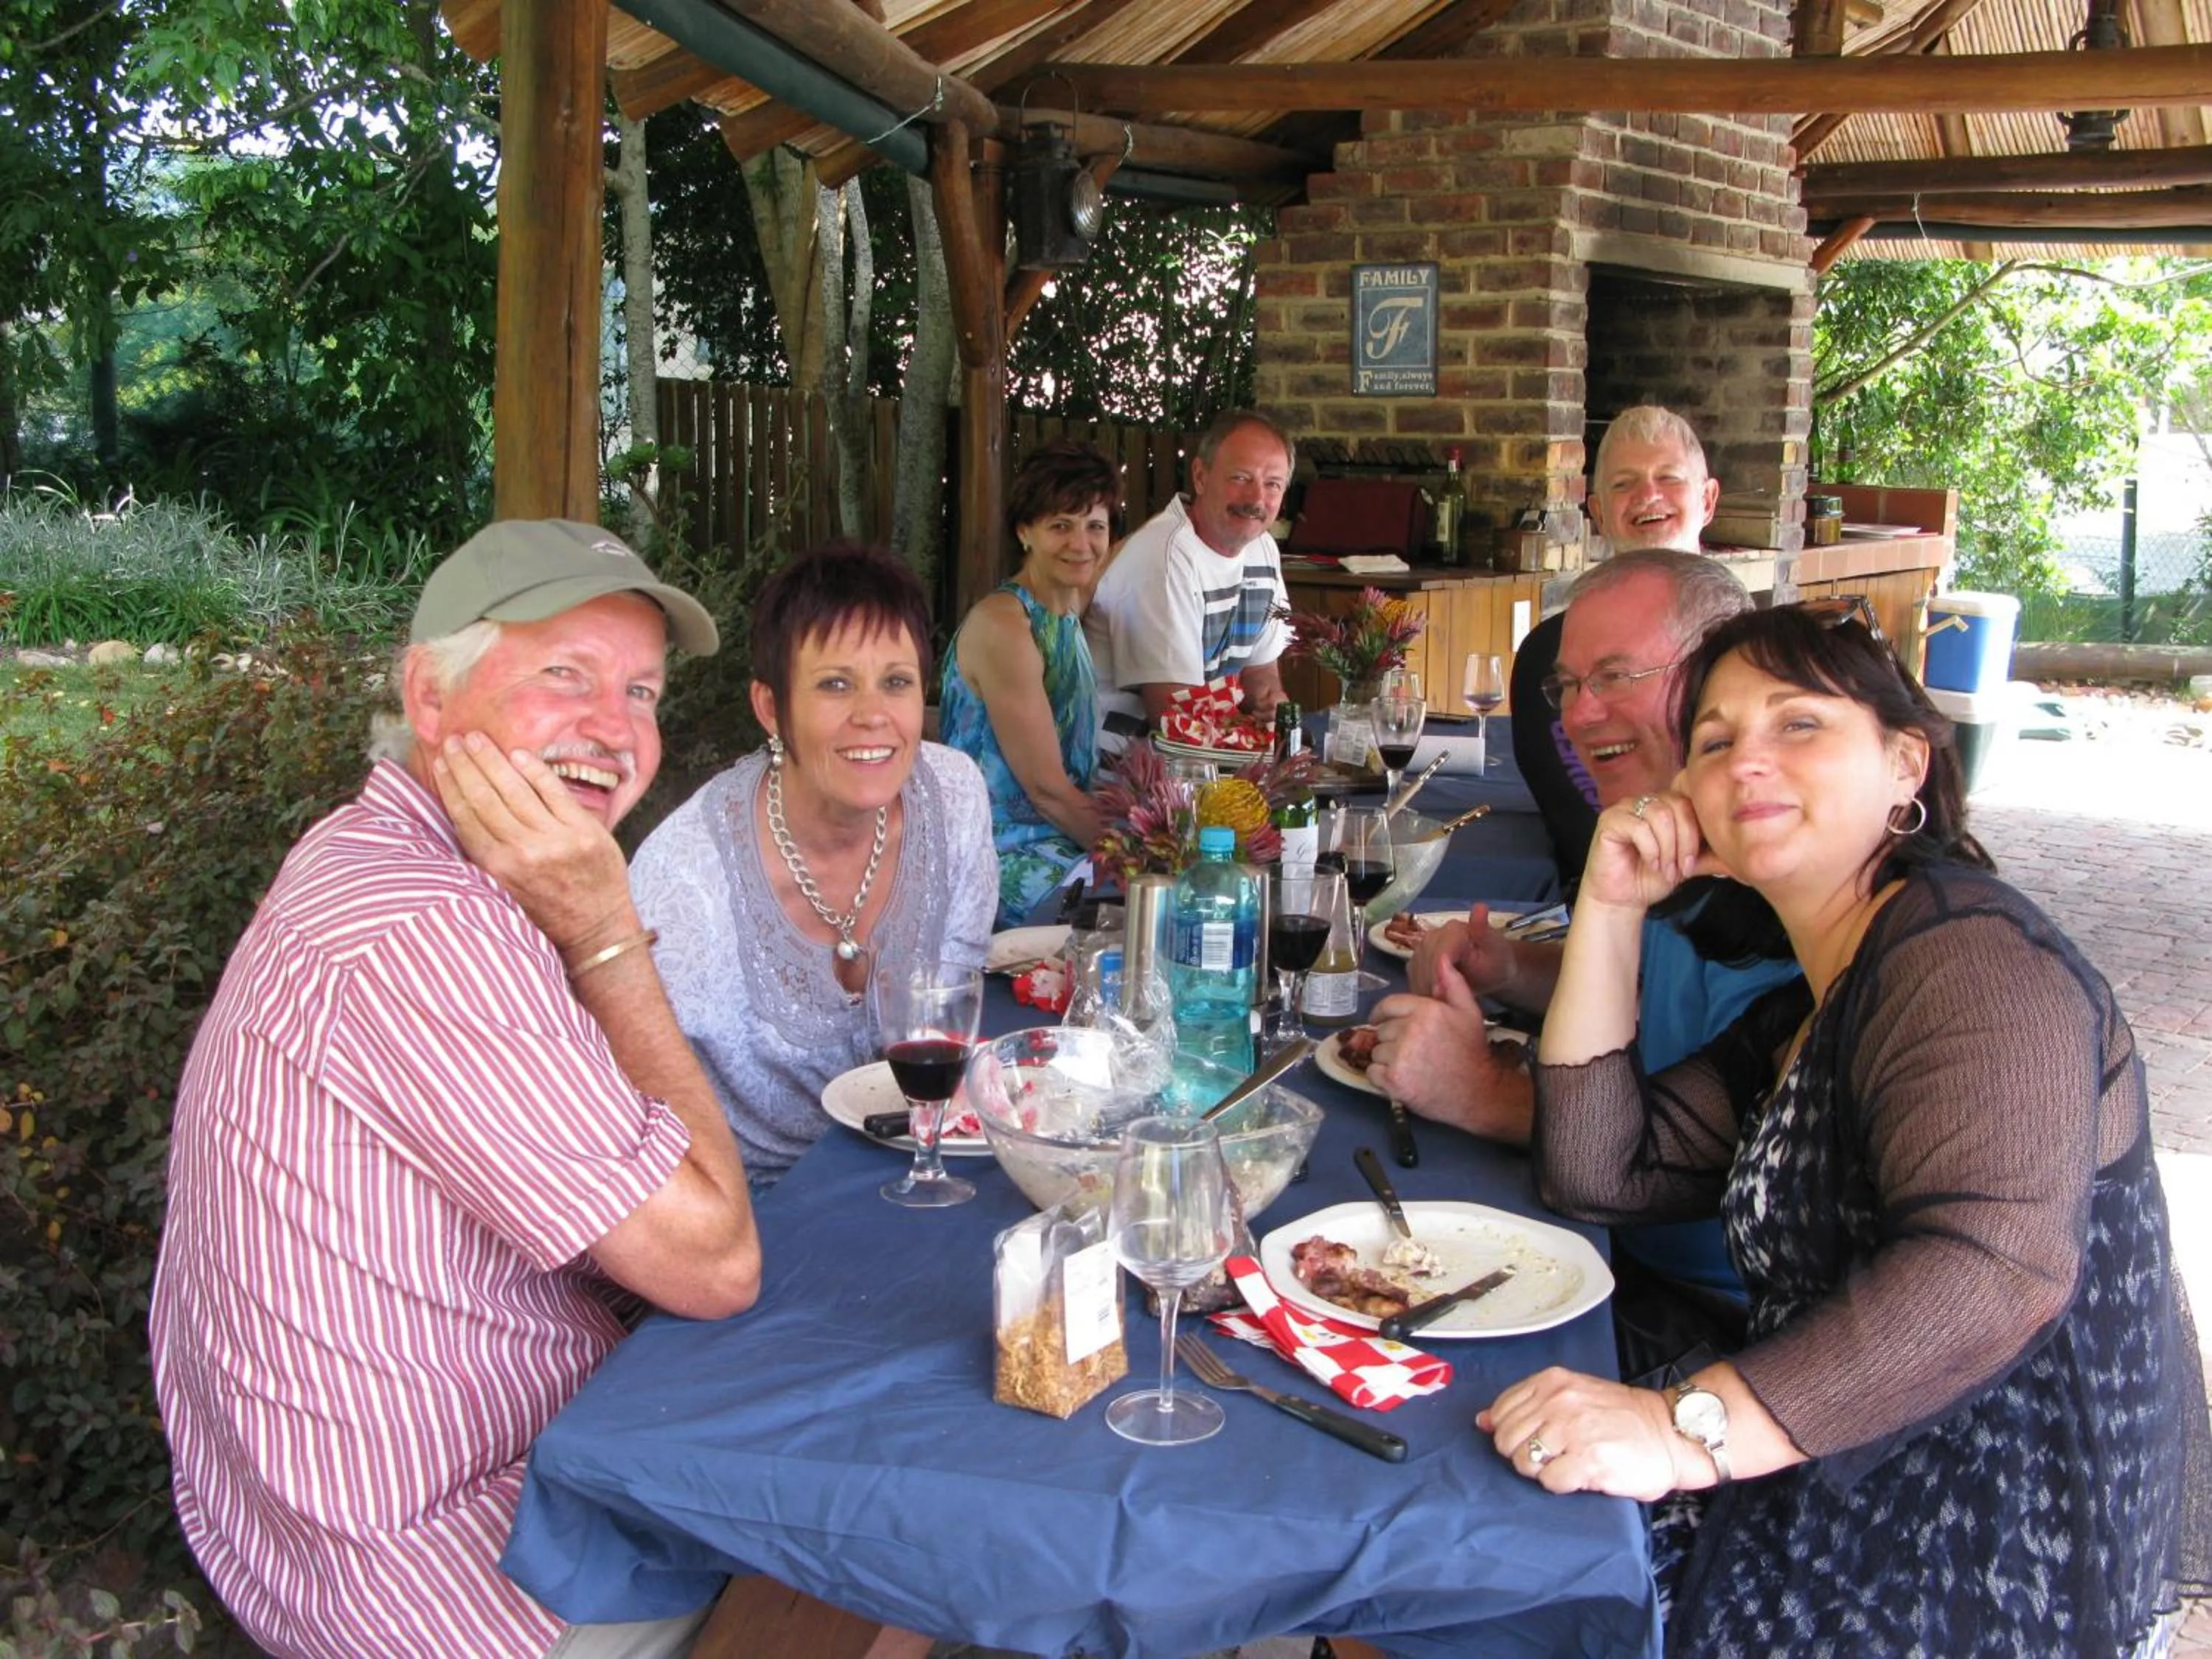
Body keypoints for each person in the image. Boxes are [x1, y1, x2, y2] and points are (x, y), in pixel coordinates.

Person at [1481, 599, 2211, 1652]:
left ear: (1905, 764)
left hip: (1971, 1546)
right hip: (1838, 1463)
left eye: (1800, 724)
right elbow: (1601, 1171)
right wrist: (1611, 903)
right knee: (1458, 1519)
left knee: (1482, 1584)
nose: (1748, 760)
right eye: (1715, 741)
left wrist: (1681, 1430)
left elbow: (1997, 1268)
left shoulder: (1972, 959)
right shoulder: (1815, 999)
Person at [150, 520, 763, 1659]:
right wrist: (606, 930)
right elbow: (717, 1264)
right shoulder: (432, 928)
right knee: (853, 1534)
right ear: (428, 696)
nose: (615, 728)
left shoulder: (365, 847)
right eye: (565, 673)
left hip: (299, 1534)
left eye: (640, 690)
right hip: (453, 1574)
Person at [1370, 550, 1799, 1363]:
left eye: (1614, 676)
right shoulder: (1674, 831)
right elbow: (1642, 992)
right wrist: (1514, 969)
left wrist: (1482, 1091)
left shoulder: (1777, 888)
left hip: (1708, 1314)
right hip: (1612, 1247)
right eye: (1566, 686)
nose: (1578, 713)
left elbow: (1673, 1158)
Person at [630, 544, 997, 1185]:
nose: (872, 716)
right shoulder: (685, 880)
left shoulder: (954, 798)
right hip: (757, 1206)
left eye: (896, 681)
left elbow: (948, 1004)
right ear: (771, 708)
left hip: (920, 1161)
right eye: (835, 684)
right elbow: (643, 1114)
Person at [1512, 404, 1722, 889]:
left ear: (1708, 500)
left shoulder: (1753, 643)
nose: (1648, 496)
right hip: (1613, 896)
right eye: (1625, 483)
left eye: (1668, 477)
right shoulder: (1551, 654)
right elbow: (1581, 823)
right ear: (1599, 512)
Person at [939, 440, 1116, 925]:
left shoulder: (1064, 607)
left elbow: (1107, 561)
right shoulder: (1005, 624)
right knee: (1148, 916)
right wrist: (1144, 859)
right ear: (1025, 532)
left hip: (1061, 839)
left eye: (1095, 526)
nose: (1081, 544)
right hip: (1000, 854)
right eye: (1060, 526)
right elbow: (1047, 791)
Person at [1085, 408, 1295, 743]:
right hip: (1125, 762)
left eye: (1273, 484)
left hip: (1201, 752)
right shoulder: (1165, 556)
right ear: (1200, 476)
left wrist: (1270, 702)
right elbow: (1173, 715)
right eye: (1241, 478)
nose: (1257, 499)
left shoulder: (1263, 548)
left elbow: (1260, 667)